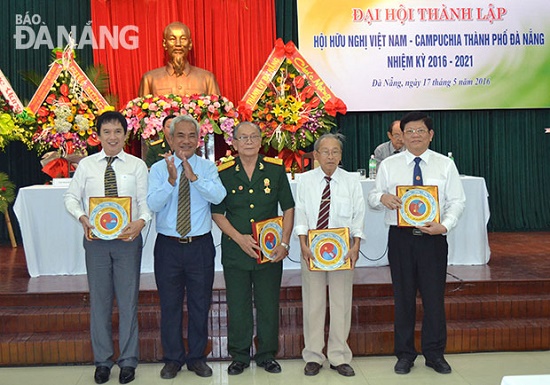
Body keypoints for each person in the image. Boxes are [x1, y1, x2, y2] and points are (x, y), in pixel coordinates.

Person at [367, 111, 465, 375]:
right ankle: (405, 354)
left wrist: (444, 225)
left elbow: (457, 201)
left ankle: (435, 354)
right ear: (401, 136)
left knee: (434, 298)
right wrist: (382, 199)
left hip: (433, 239)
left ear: (430, 135)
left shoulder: (445, 165)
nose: (415, 136)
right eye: (409, 131)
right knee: (403, 297)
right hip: (400, 239)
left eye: (420, 131)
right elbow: (374, 196)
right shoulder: (389, 165)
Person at [64, 111, 152, 384]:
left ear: (126, 134)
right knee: (100, 303)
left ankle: (128, 361)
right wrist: (82, 219)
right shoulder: (87, 166)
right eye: (107, 132)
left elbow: (145, 202)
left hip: (127, 242)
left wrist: (141, 222)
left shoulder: (137, 165)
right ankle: (102, 361)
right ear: (98, 135)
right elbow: (70, 197)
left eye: (117, 131)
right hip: (96, 244)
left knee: (128, 302)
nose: (112, 137)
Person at [211, 122, 295, 375]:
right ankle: (239, 355)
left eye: (253, 137)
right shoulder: (223, 173)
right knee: (238, 305)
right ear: (234, 144)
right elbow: (217, 213)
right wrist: (239, 238)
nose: (248, 141)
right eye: (242, 138)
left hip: (269, 251)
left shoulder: (275, 170)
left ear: (261, 142)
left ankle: (267, 354)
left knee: (268, 303)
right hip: (236, 250)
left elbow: (288, 208)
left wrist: (284, 243)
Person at [147, 115, 226, 379]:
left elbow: (218, 196)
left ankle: (197, 357)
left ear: (199, 140)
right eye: (180, 135)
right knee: (169, 304)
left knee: (199, 304)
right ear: (169, 139)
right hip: (168, 247)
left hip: (199, 246)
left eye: (192, 136)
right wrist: (172, 181)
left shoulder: (207, 167)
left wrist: (193, 178)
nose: (186, 141)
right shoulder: (158, 169)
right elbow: (153, 205)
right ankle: (172, 359)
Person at [294, 133, 365, 377]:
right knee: (313, 303)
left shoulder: (351, 181)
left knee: (341, 303)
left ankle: (338, 356)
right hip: (312, 251)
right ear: (316, 155)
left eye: (335, 151)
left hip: (343, 251)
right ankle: (313, 355)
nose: (331, 156)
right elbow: (301, 213)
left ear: (341, 155)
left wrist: (356, 245)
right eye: (325, 151)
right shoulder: (304, 181)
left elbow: (359, 214)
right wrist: (302, 243)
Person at [138, 21, 220, 97]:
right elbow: (141, 111)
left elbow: (217, 110)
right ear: (164, 44)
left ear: (190, 44)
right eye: (172, 39)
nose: (178, 44)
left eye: (183, 39)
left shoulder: (207, 78)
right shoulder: (149, 79)